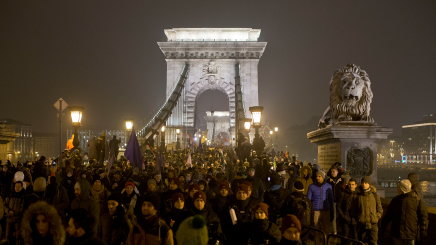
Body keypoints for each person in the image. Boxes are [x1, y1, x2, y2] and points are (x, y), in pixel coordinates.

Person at [381, 179, 428, 245]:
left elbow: (388, 216)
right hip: (411, 234)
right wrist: (423, 230)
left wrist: (383, 227)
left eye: (398, 187)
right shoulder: (417, 200)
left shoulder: (396, 200)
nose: (397, 189)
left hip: (397, 234)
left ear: (402, 189)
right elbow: (423, 216)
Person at [307, 169, 334, 245]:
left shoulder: (328, 186)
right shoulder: (311, 186)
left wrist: (332, 212)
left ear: (323, 177)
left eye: (319, 176)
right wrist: (311, 212)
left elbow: (331, 200)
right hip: (316, 212)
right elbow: (308, 200)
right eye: (317, 176)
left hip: (326, 211)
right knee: (316, 231)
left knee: (326, 231)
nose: (317, 178)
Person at [353, 176, 383, 245]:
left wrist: (376, 218)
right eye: (363, 183)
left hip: (373, 225)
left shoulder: (375, 195)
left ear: (369, 184)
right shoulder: (357, 196)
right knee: (361, 242)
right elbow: (353, 209)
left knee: (373, 242)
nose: (364, 184)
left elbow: (380, 210)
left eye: (366, 183)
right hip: (362, 225)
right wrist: (359, 218)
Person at [326, 166, 343, 234]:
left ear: (337, 172)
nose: (332, 173)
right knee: (333, 217)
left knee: (339, 217)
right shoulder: (328, 181)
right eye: (331, 171)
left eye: (334, 171)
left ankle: (339, 230)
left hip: (340, 202)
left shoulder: (341, 181)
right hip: (332, 202)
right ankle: (334, 231)